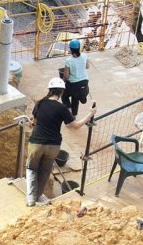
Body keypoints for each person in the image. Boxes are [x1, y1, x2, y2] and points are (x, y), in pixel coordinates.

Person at [25, 77, 95, 207]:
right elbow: (75, 126)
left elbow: (33, 123)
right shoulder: (62, 108)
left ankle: (30, 200)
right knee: (45, 171)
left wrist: (31, 124)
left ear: (50, 90)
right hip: (53, 146)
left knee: (31, 168)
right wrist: (90, 114)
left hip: (36, 143)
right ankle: (37, 196)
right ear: (61, 92)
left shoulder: (40, 103)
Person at [61, 39, 90, 116]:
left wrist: (62, 81)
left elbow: (66, 76)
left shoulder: (68, 61)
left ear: (70, 49)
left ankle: (69, 110)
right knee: (75, 98)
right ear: (79, 48)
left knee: (64, 96)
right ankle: (74, 116)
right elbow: (87, 67)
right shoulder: (85, 56)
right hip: (84, 82)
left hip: (73, 84)